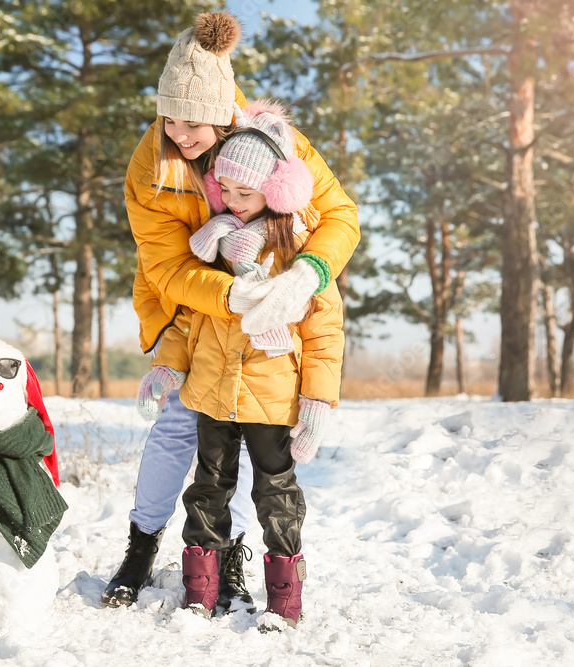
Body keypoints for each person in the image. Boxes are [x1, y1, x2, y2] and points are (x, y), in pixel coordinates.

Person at [102, 10, 360, 610]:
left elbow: (340, 215)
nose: (181, 133)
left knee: (249, 428)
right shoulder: (152, 167)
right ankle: (141, 548)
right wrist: (232, 296)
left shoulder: (272, 144)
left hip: (272, 304)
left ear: (223, 112)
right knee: (175, 427)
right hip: (189, 307)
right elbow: (166, 268)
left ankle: (231, 553)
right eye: (170, 119)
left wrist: (306, 274)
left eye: (194, 122)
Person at [138, 100, 344, 627]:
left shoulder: (296, 253)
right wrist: (168, 367)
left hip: (273, 399)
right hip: (212, 392)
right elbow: (189, 318)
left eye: (244, 193)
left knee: (276, 494)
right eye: (224, 191)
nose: (231, 201)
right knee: (207, 490)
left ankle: (284, 601)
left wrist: (317, 398)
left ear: (277, 191)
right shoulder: (215, 246)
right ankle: (200, 594)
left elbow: (322, 330)